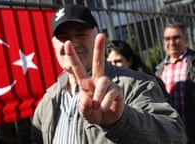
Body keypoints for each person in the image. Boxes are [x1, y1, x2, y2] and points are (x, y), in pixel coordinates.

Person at [31, 4, 187, 144]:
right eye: (63, 37)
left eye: (81, 34)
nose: (71, 44)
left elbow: (176, 136)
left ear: (97, 35)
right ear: (53, 44)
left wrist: (121, 121)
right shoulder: (48, 102)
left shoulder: (136, 84)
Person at [155, 21, 195, 144]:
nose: (171, 43)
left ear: (186, 39)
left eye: (176, 37)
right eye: (167, 39)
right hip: (172, 134)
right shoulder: (159, 70)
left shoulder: (193, 63)